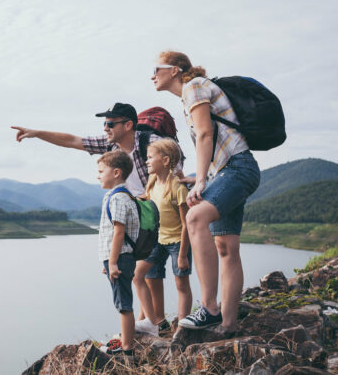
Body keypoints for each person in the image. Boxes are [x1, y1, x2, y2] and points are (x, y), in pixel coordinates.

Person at [151, 50, 260, 334]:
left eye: (157, 69)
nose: (153, 75)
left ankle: (209, 308)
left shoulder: (194, 86)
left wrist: (200, 182)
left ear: (174, 70)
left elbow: (205, 134)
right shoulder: (191, 92)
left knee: (196, 218)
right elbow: (209, 141)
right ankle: (228, 324)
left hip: (237, 168)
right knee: (226, 248)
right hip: (226, 172)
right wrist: (201, 178)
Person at [12, 103, 181, 197]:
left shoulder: (152, 142)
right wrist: (37, 133)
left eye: (110, 124)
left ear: (128, 125)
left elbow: (177, 173)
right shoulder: (110, 145)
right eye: (104, 124)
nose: (106, 128)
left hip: (164, 212)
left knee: (179, 261)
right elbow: (73, 140)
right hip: (138, 214)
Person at [132, 138, 192, 336]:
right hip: (156, 241)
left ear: (165, 161)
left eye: (150, 157)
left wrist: (183, 254)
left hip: (177, 242)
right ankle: (155, 321)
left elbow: (186, 224)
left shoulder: (177, 187)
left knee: (181, 284)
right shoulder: (151, 186)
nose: (146, 161)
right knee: (139, 276)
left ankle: (183, 327)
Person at [96, 150, 140, 357]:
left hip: (120, 258)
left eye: (101, 171)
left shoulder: (118, 198)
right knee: (121, 301)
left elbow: (119, 232)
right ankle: (125, 343)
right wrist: (108, 262)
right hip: (118, 258)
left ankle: (127, 349)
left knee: (123, 304)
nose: (98, 175)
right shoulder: (117, 196)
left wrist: (112, 263)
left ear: (116, 172)